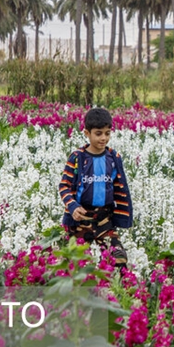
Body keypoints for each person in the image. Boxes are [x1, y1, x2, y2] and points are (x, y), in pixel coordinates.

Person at [59, 107, 132, 266]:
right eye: (98, 133)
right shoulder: (77, 157)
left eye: (107, 133)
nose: (103, 138)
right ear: (87, 133)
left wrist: (121, 215)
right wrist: (72, 206)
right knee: (76, 264)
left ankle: (116, 282)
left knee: (118, 259)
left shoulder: (113, 158)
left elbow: (120, 188)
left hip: (104, 220)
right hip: (81, 221)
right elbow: (64, 186)